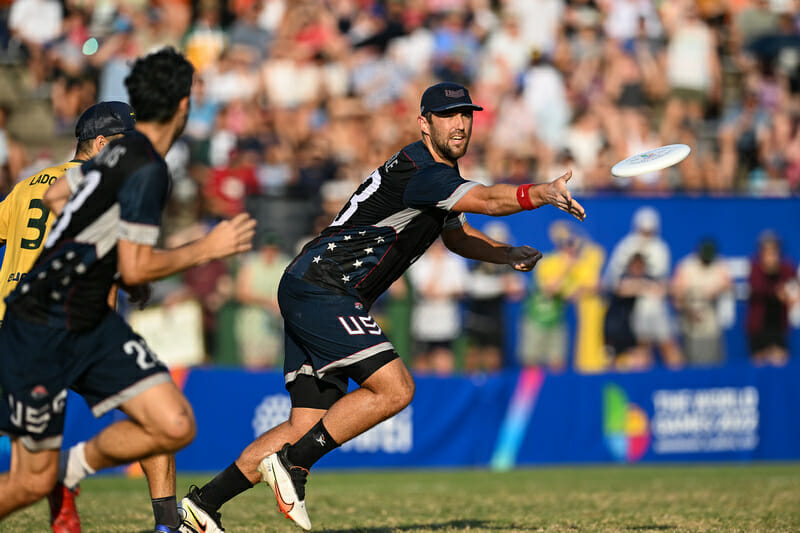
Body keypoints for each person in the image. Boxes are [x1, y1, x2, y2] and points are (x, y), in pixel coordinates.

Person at [178, 81, 585, 533]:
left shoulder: (434, 176)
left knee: (304, 423)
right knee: (396, 389)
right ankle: (292, 466)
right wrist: (541, 193)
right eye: (449, 115)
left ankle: (204, 505)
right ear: (424, 123)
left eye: (466, 114)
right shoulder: (425, 171)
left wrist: (504, 255)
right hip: (324, 286)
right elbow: (489, 199)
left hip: (308, 283)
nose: (461, 123)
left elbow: (454, 235)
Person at [0, 47, 256, 530]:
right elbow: (137, 270)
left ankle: (147, 511)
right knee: (27, 483)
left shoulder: (46, 178)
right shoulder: (143, 167)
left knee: (173, 424)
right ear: (183, 107)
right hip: (40, 323)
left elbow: (56, 196)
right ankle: (63, 479)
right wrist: (207, 248)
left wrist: (107, 262)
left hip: (87, 319)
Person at [0, 100, 189, 533]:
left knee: (29, 450)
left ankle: (67, 503)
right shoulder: (111, 185)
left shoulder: (29, 185)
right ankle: (166, 523)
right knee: (148, 415)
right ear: (101, 143)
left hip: (16, 327)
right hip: (72, 324)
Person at [672, 238, 733, 366]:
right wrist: (688, 311)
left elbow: (728, 286)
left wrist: (714, 291)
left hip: (711, 317)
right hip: (690, 317)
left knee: (713, 359)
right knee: (694, 361)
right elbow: (677, 294)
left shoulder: (720, 265)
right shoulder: (687, 266)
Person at [747, 230, 798, 366]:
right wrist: (777, 292)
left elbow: (793, 289)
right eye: (767, 251)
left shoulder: (787, 269)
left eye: (774, 251)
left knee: (780, 365)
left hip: (778, 328)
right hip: (759, 328)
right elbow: (758, 288)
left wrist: (792, 296)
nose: (771, 255)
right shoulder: (755, 268)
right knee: (759, 367)